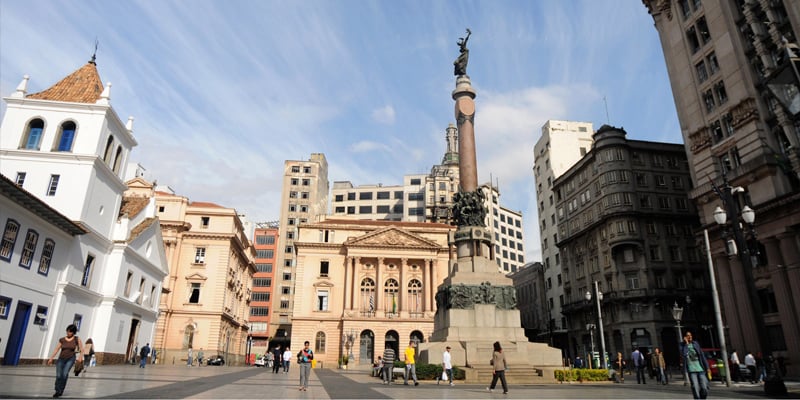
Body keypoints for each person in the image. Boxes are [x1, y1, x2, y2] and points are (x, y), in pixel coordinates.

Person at [47, 324, 84, 398]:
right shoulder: (62, 339)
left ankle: (60, 391)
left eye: (70, 332)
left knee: (64, 374)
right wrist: (51, 358)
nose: (68, 333)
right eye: (67, 331)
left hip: (70, 359)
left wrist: (80, 357)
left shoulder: (77, 339)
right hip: (61, 359)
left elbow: (82, 349)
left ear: (73, 332)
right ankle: (57, 390)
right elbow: (56, 349)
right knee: (58, 375)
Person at [680, 331, 710, 399]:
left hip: (700, 369)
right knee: (695, 387)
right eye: (688, 335)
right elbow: (684, 355)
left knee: (704, 387)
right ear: (685, 337)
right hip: (691, 370)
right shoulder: (682, 345)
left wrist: (707, 367)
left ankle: (702, 398)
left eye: (690, 335)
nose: (690, 336)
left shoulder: (696, 343)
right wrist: (686, 344)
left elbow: (702, 356)